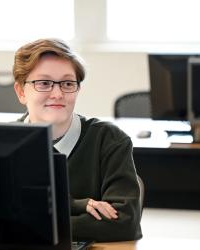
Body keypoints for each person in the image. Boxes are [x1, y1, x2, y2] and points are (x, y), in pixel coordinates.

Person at [13, 38, 142, 242]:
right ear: (21, 92)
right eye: (44, 83)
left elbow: (124, 222)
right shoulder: (4, 142)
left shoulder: (109, 140)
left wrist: (31, 226)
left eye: (67, 83)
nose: (57, 94)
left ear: (77, 89)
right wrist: (79, 208)